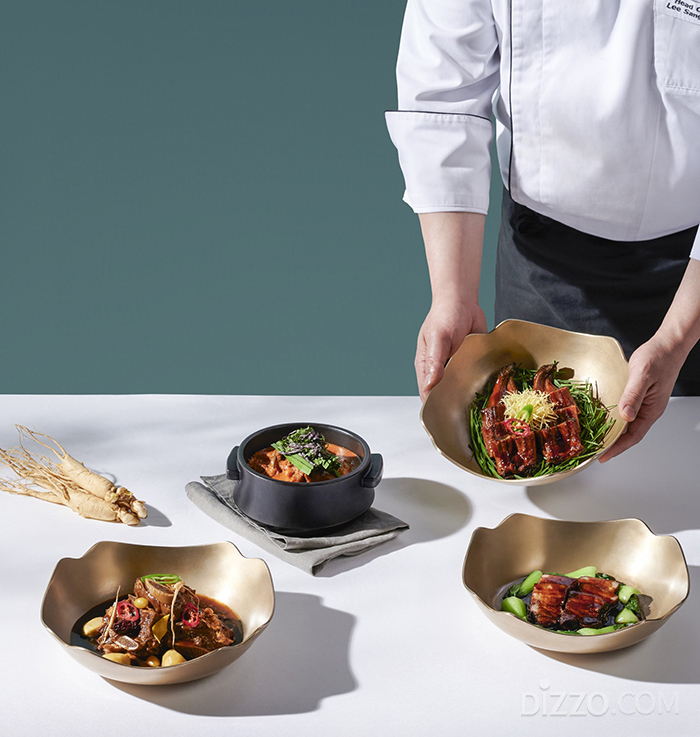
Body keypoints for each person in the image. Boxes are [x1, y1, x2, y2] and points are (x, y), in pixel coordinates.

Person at [386, 0, 700, 461]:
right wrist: (453, 295)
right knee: (538, 471)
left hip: (691, 267)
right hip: (543, 264)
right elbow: (443, 90)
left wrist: (677, 336)